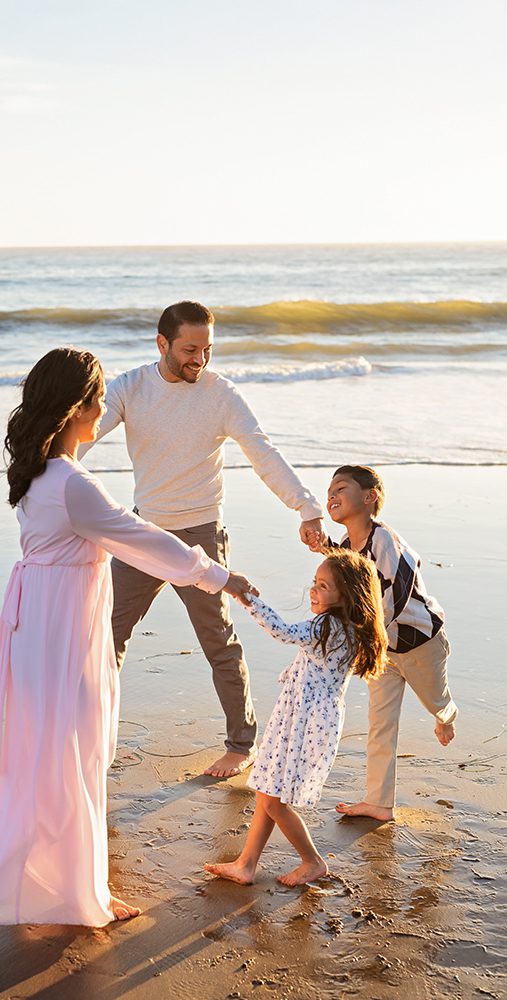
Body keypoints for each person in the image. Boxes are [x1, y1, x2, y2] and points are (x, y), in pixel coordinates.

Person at [0, 347, 256, 928]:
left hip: (40, 623)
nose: (102, 408)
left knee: (57, 751)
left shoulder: (39, 473)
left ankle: (68, 882)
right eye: (95, 399)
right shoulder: (72, 482)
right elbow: (143, 538)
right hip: (63, 630)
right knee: (78, 749)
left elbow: (129, 537)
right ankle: (79, 893)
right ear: (73, 408)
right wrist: (218, 573)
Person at [79, 300, 323, 778]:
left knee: (218, 641)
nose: (201, 359)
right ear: (162, 343)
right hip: (143, 532)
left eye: (208, 349)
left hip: (200, 537)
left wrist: (307, 507)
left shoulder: (220, 394)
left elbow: (262, 451)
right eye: (190, 349)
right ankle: (86, 737)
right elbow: (80, 439)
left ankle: (241, 743)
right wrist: (41, 475)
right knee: (105, 637)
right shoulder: (129, 388)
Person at [204, 550, 387, 887]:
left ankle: (312, 861)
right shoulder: (344, 628)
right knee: (267, 792)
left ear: (346, 595)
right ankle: (246, 863)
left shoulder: (328, 627)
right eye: (314, 583)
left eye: (322, 586)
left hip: (303, 724)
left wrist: (245, 598)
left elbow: (282, 631)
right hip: (305, 720)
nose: (313, 591)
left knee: (273, 800)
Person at [311, 464, 459, 822]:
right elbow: (350, 575)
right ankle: (378, 802)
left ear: (369, 497)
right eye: (329, 490)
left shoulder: (385, 539)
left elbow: (399, 588)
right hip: (382, 653)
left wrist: (367, 634)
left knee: (435, 700)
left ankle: (447, 715)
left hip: (420, 643)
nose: (332, 495)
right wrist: (325, 548)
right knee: (380, 725)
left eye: (340, 488)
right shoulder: (348, 546)